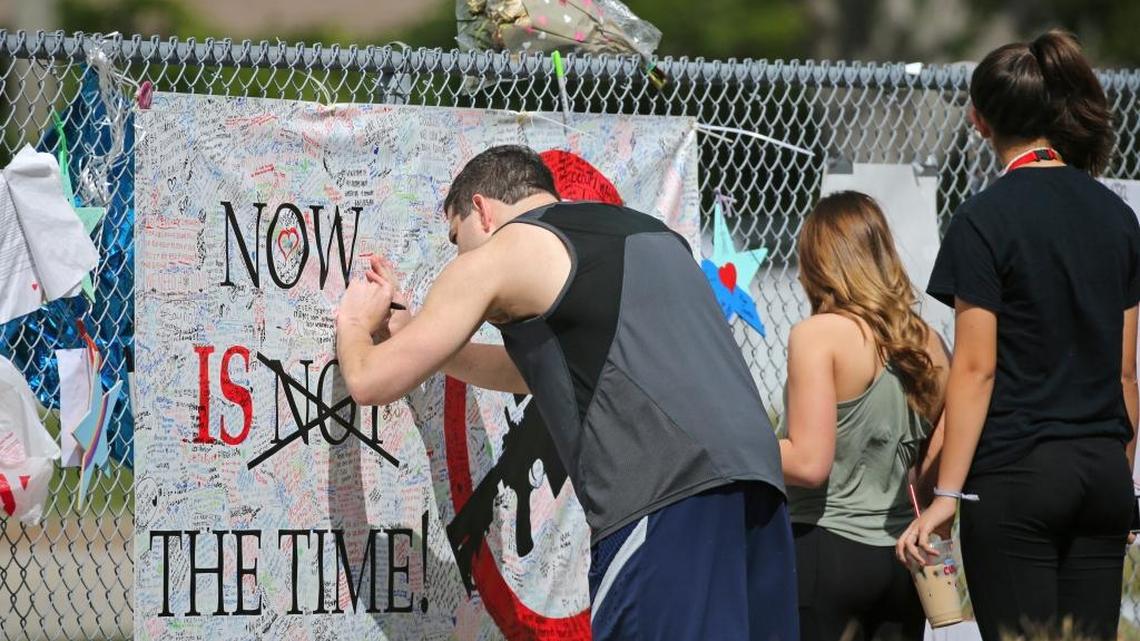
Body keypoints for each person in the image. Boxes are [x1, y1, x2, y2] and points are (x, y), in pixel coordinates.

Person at [335, 144, 797, 641]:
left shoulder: (500, 254)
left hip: (666, 496)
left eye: (456, 237)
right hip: (758, 485)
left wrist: (355, 324)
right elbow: (535, 372)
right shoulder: (648, 233)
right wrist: (426, 343)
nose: (460, 253)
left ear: (483, 211)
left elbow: (367, 381)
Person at [897, 30, 1140, 641]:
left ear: (979, 120)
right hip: (1104, 472)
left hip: (1019, 476)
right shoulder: (1118, 216)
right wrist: (1120, 469)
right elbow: (1125, 373)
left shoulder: (985, 219)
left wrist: (947, 493)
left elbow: (976, 370)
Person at [778, 191, 949, 641]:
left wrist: (733, 444)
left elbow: (808, 463)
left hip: (823, 547)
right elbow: (931, 474)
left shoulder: (817, 336)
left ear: (818, 261)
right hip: (900, 560)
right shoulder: (930, 346)